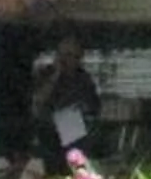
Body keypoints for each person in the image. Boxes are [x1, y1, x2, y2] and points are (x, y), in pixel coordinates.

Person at [27, 33, 103, 170]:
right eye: (66, 55)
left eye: (74, 56)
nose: (69, 60)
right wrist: (56, 75)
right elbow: (37, 102)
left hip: (73, 132)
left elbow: (94, 106)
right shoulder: (46, 73)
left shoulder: (83, 79)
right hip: (47, 132)